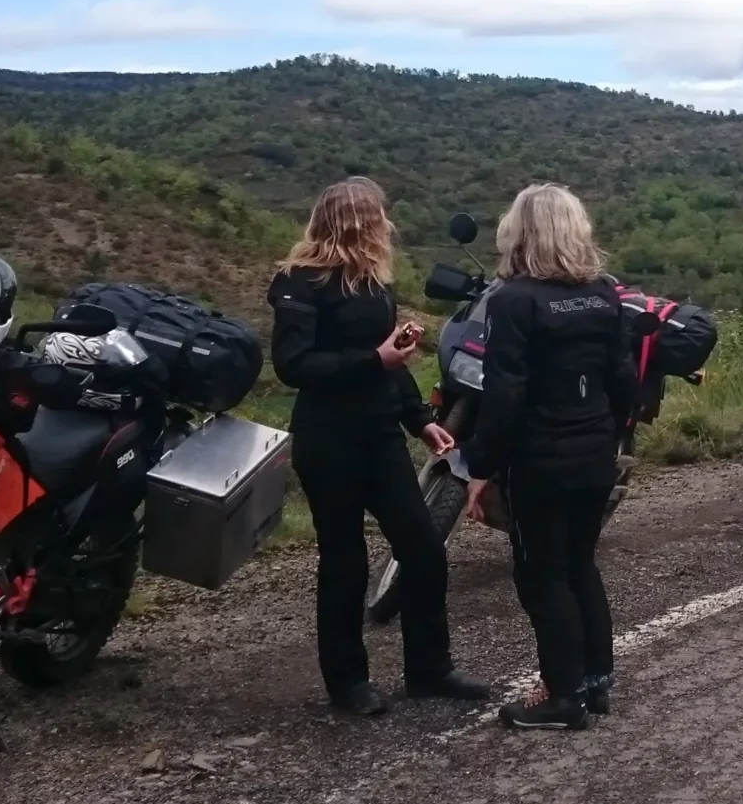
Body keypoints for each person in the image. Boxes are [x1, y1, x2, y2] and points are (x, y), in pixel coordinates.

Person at [269, 177, 489, 717]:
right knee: (344, 561)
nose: (387, 224)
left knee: (422, 547)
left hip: (379, 436)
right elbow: (293, 366)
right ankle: (347, 683)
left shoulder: (373, 283)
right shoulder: (299, 281)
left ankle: (429, 669)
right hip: (328, 440)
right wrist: (375, 360)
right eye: (378, 216)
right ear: (357, 222)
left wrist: (419, 420)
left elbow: (387, 364)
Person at [461, 183, 641, 731]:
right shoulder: (603, 294)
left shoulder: (513, 301)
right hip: (594, 453)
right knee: (581, 565)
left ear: (520, 232)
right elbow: (625, 383)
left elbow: (504, 396)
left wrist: (480, 469)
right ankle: (596, 682)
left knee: (543, 578)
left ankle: (563, 697)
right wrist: (605, 434)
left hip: (540, 461)